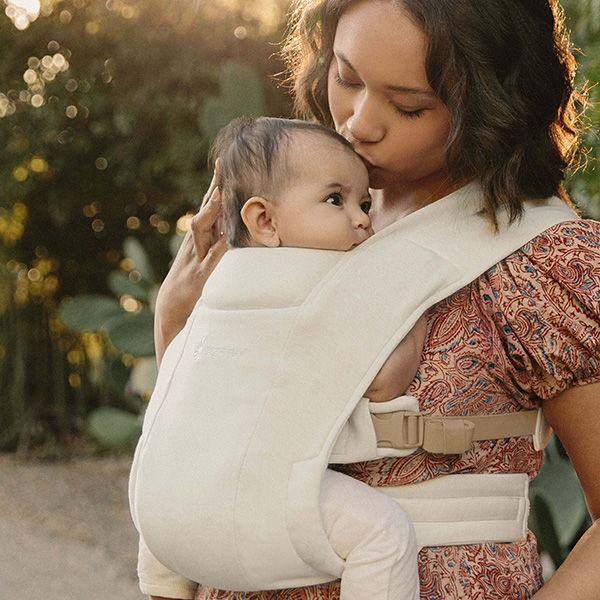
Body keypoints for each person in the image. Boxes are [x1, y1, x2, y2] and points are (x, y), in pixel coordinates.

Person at [151, 0, 600, 599]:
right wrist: (174, 325)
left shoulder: (545, 264)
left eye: (408, 105)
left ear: (492, 106)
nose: (359, 124)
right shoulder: (294, 209)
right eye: (347, 77)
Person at [133, 116, 426, 600]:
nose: (361, 219)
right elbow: (385, 383)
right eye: (336, 200)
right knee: (384, 534)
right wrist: (412, 304)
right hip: (265, 502)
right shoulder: (331, 283)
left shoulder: (213, 290)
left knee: (166, 512)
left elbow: (181, 382)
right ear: (265, 221)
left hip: (164, 505)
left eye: (364, 203)